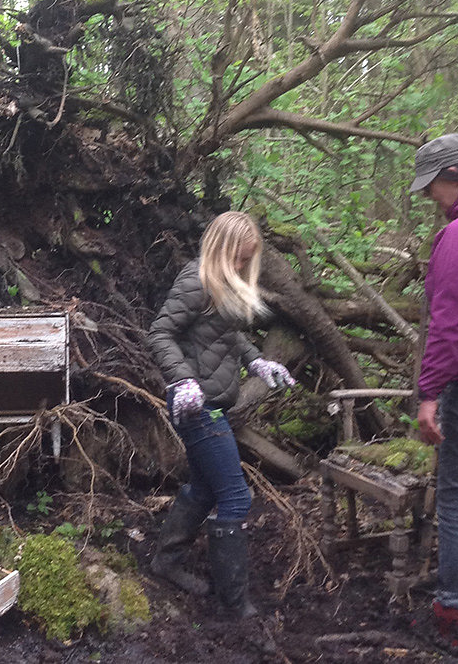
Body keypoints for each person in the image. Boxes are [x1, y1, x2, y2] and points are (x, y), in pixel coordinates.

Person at [147, 211, 295, 619]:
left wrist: (259, 364)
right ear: (222, 248)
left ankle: (167, 562)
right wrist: (183, 380)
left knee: (205, 489)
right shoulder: (196, 280)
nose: (244, 266)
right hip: (197, 408)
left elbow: (226, 336)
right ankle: (234, 604)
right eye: (240, 258)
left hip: (212, 404)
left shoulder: (224, 284)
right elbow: (160, 332)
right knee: (235, 496)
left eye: (249, 259)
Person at [408, 133, 458, 657]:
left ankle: (453, 610)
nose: (429, 198)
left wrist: (429, 393)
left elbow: (451, 325)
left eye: (432, 186)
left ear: (455, 177)